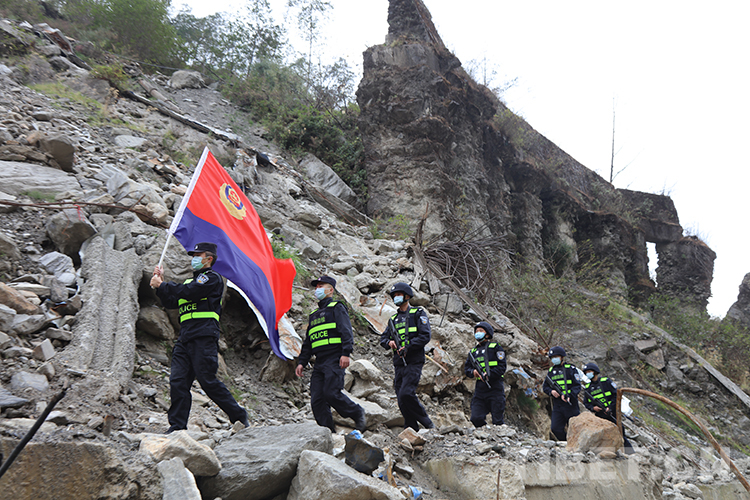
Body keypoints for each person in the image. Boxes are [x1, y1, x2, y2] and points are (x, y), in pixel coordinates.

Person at [150, 242, 249, 433]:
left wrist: (163, 285)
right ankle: (177, 426)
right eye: (193, 255)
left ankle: (239, 415)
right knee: (178, 381)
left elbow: (191, 292)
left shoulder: (211, 278)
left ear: (209, 258)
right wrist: (160, 284)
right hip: (185, 336)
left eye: (198, 255)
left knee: (207, 380)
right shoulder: (189, 282)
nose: (194, 259)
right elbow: (171, 301)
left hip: (203, 335)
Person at [295, 275, 366, 433]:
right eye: (316, 286)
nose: (317, 289)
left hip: (335, 358)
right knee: (317, 400)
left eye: (321, 286)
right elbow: (309, 341)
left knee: (331, 393)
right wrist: (301, 362)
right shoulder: (314, 315)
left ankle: (357, 412)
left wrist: (346, 353)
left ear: (330, 290)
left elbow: (346, 331)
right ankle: (327, 432)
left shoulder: (337, 307)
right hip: (319, 362)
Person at [380, 282, 434, 431]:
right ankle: (411, 426)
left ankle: (427, 423)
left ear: (407, 296)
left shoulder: (418, 313)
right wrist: (389, 342)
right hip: (399, 363)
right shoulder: (393, 320)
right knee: (400, 398)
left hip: (414, 360)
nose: (396, 298)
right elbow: (383, 339)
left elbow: (425, 336)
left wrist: (409, 346)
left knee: (406, 393)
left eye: (399, 295)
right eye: (394, 296)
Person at [582, 362, 633, 451]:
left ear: (595, 371)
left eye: (589, 371)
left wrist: (610, 407)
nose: (588, 374)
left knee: (620, 433)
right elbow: (586, 403)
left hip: (612, 412)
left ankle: (630, 453)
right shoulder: (588, 387)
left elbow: (616, 395)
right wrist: (593, 408)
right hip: (600, 416)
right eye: (586, 372)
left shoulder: (606, 381)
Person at [464, 321, 507, 427]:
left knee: (497, 420)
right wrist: (473, 372)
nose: (478, 333)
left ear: (487, 334)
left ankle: (500, 435)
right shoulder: (473, 352)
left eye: (481, 331)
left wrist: (489, 374)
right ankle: (484, 432)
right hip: (480, 389)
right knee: (475, 418)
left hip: (495, 387)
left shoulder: (495, 347)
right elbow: (467, 369)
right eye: (476, 331)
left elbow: (502, 367)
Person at [542, 346, 581, 441]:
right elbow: (545, 387)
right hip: (557, 405)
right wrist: (551, 391)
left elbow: (577, 386)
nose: (554, 359)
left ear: (562, 357)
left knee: (575, 429)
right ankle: (565, 442)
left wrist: (569, 395)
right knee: (555, 428)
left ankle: (574, 445)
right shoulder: (551, 371)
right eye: (552, 357)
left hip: (570, 404)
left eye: (556, 357)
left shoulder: (571, 369)